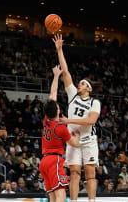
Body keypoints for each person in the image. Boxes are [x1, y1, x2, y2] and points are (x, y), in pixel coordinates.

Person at [53, 34, 101, 202]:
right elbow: (65, 72)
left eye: (81, 84)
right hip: (73, 140)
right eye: (79, 83)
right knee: (74, 173)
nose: (78, 85)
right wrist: (59, 50)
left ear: (88, 88)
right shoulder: (73, 94)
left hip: (88, 139)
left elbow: (91, 121)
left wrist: (68, 121)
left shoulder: (95, 102)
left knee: (90, 174)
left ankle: (91, 201)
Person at [39, 65, 80, 202]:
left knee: (52, 196)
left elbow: (53, 93)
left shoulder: (46, 121)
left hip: (44, 161)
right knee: (60, 194)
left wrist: (56, 76)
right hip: (54, 161)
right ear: (57, 111)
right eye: (57, 106)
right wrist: (77, 135)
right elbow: (73, 143)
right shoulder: (60, 127)